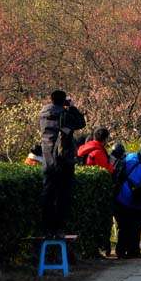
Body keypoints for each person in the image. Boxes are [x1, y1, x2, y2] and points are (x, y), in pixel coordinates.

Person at [39, 90, 86, 239]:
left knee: (48, 194)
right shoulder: (66, 115)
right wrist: (71, 107)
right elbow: (81, 122)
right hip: (63, 160)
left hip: (48, 159)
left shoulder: (43, 114)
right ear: (64, 100)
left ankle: (47, 228)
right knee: (63, 196)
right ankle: (58, 228)